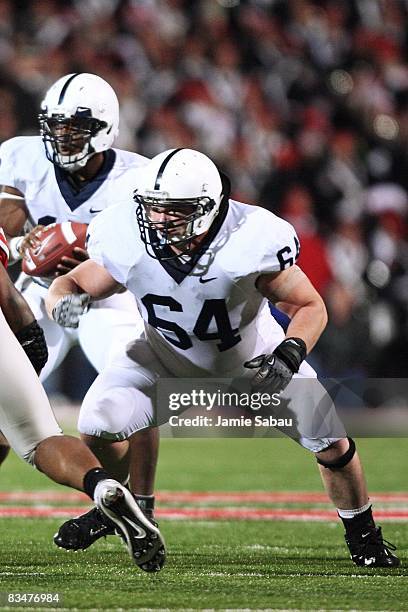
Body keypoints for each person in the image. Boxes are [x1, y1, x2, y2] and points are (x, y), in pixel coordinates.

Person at [45, 148, 399, 568]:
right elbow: (71, 283)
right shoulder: (126, 233)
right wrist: (63, 304)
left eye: (173, 210)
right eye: (153, 208)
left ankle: (364, 537)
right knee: (96, 423)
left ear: (207, 208)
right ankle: (116, 506)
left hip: (252, 363)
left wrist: (289, 353)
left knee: (331, 441)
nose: (158, 221)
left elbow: (310, 305)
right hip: (162, 360)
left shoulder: (250, 237)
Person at [0, 73, 159, 548]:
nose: (63, 138)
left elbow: (152, 254)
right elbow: (6, 233)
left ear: (105, 127)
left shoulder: (139, 177)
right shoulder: (20, 155)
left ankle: (142, 505)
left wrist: (89, 248)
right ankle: (114, 498)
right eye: (57, 127)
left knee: (136, 388)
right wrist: (29, 242)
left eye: (75, 128)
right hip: (37, 291)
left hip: (107, 299)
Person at [0, 227, 165, 572]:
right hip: (38, 300)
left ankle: (140, 503)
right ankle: (103, 485)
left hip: (100, 297)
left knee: (132, 387)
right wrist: (29, 334)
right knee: (39, 439)